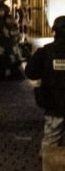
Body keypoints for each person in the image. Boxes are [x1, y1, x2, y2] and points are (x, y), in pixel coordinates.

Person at [25, 16, 65, 152]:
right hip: (53, 105)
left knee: (51, 143)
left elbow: (30, 72)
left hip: (53, 106)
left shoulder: (45, 51)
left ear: (55, 31)